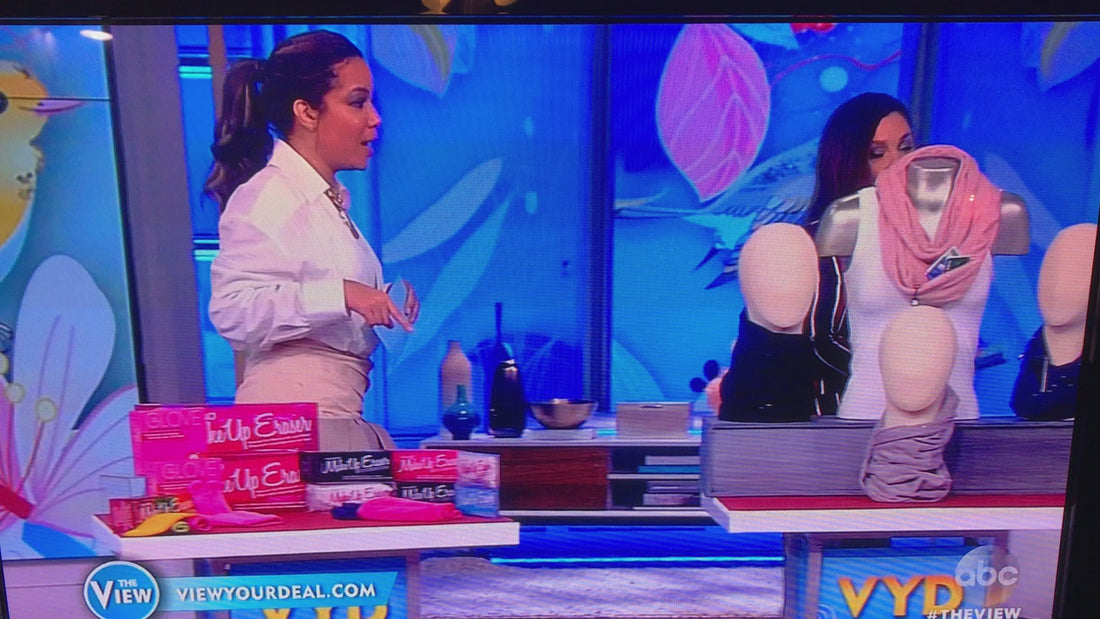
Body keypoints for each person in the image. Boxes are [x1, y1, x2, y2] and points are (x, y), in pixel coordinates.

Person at [206, 30, 418, 449]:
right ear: (306, 112)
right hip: (291, 430)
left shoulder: (326, 202)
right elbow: (233, 311)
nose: (375, 118)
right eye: (357, 102)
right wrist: (342, 294)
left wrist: (380, 302)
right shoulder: (269, 198)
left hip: (330, 423)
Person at [802, 93, 915, 415]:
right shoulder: (823, 239)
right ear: (847, 161)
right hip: (841, 417)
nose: (897, 164)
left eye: (906, 147)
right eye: (877, 153)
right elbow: (822, 337)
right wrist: (903, 373)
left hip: (918, 414)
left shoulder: (926, 236)